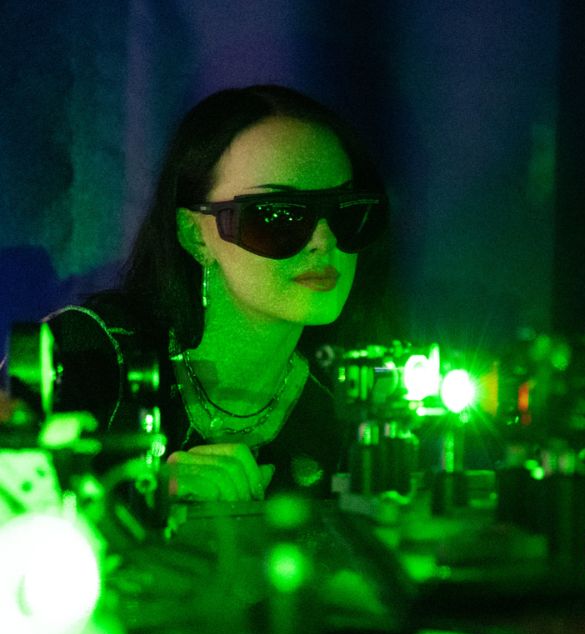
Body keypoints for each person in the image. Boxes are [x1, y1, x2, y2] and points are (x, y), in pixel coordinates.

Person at [38, 85, 395, 503]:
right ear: (195, 234)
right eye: (275, 214)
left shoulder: (353, 399)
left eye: (346, 212)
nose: (323, 241)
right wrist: (144, 495)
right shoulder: (86, 355)